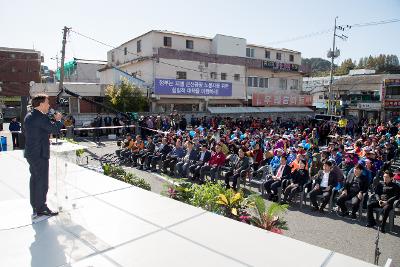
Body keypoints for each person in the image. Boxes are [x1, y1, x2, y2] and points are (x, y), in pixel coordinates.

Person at [24, 94, 63, 217]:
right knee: (42, 182)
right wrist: (58, 120)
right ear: (41, 104)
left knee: (35, 180)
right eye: (47, 102)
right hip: (39, 154)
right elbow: (55, 129)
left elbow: (40, 130)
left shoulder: (30, 115)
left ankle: (35, 205)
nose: (49, 105)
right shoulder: (40, 117)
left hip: (32, 152)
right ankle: (41, 208)